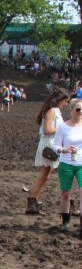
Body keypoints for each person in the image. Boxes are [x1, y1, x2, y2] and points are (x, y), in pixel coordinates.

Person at [25, 89, 69, 215]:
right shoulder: (52, 110)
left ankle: (33, 201)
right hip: (49, 144)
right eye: (65, 101)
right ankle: (32, 201)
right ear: (59, 100)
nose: (66, 104)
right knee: (46, 175)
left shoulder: (55, 110)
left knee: (45, 175)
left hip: (51, 143)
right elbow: (47, 130)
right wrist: (62, 129)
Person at [53, 97, 82, 233]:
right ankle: (65, 222)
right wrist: (64, 150)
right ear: (71, 110)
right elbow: (55, 146)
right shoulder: (63, 127)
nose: (80, 112)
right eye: (78, 109)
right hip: (66, 163)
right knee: (65, 194)